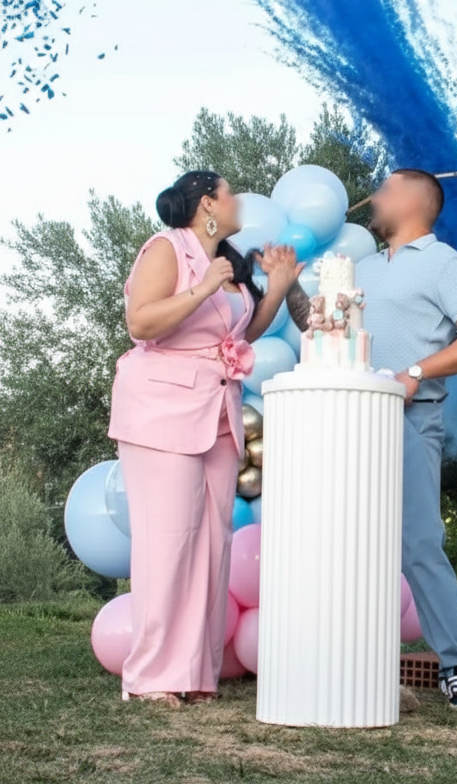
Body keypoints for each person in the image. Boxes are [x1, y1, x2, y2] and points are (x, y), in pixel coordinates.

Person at [288, 168, 457, 712]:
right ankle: (339, 660)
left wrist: (414, 371)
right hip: (344, 421)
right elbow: (316, 329)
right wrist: (286, 280)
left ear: (411, 199)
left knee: (419, 543)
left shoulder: (444, 262)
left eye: (384, 189)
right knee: (339, 542)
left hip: (409, 419)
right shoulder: (356, 269)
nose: (374, 198)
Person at [108, 170, 301, 708]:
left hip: (218, 411)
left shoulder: (230, 264)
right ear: (205, 204)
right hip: (161, 410)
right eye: (230, 192)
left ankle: (195, 674)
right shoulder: (166, 249)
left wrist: (279, 288)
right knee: (167, 544)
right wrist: (201, 287)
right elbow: (141, 323)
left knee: (210, 546)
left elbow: (240, 332)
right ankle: (149, 678)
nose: (238, 199)